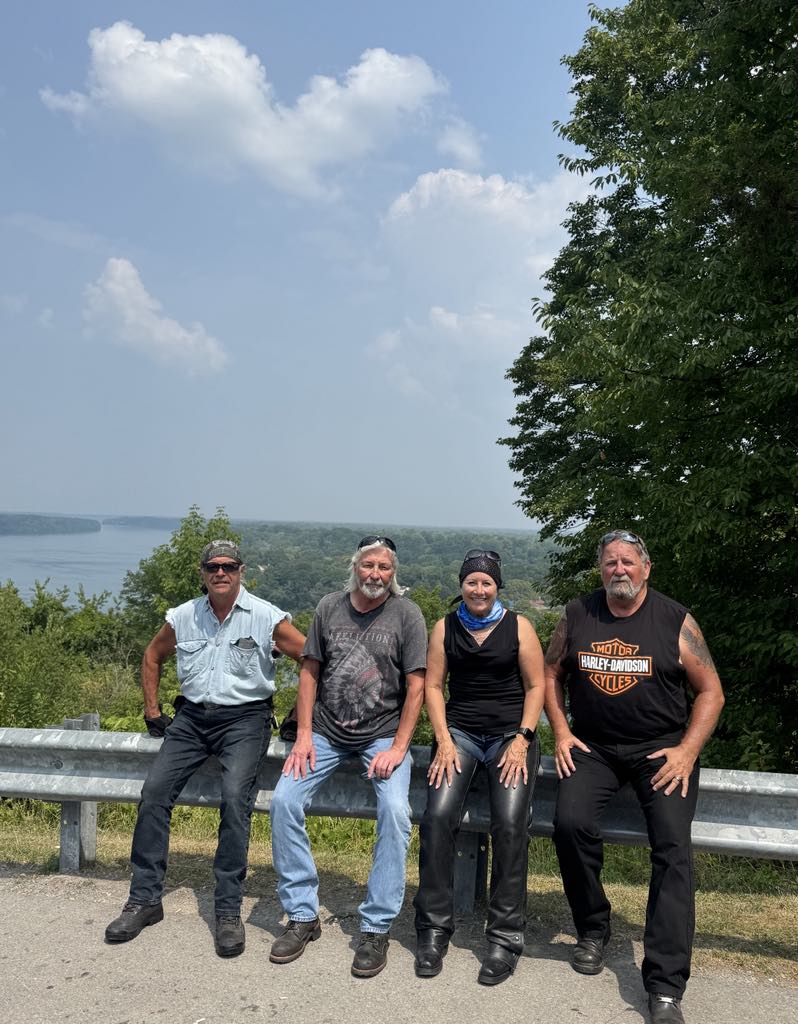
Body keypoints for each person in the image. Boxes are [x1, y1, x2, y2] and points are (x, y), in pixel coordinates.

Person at [544, 529, 725, 1024]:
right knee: (569, 824)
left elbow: (711, 692)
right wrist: (561, 732)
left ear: (646, 568)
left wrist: (687, 751)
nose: (618, 569)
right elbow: (551, 673)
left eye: (627, 561)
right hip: (594, 748)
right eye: (610, 562)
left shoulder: (675, 619)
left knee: (672, 847)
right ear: (600, 569)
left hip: (660, 751)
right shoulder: (578, 614)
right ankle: (593, 928)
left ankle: (664, 985)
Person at [105, 539, 305, 957]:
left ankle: (227, 911)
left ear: (241, 571)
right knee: (154, 793)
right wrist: (152, 709)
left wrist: (297, 716)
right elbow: (153, 655)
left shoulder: (267, 617)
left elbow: (311, 658)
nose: (220, 572)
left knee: (234, 799)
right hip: (192, 718)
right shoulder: (183, 617)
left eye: (228, 566)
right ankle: (144, 900)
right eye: (213, 566)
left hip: (245, 719)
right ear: (202, 573)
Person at [268, 536, 427, 978]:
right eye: (368, 565)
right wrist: (303, 735)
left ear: (393, 573)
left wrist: (399, 747)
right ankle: (302, 915)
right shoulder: (328, 607)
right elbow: (309, 671)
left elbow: (417, 685)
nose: (376, 574)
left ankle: (375, 928)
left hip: (383, 736)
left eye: (384, 567)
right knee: (283, 801)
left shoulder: (407, 614)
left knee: (395, 811)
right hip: (325, 733)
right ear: (355, 567)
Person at [413, 549, 546, 986]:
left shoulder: (519, 627)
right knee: (437, 817)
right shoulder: (445, 627)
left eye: (486, 582)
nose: (479, 589)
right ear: (461, 586)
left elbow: (537, 685)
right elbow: (434, 686)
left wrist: (523, 739)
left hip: (511, 735)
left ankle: (504, 938)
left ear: (497, 586)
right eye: (471, 581)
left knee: (509, 823)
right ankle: (433, 929)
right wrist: (443, 739)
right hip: (461, 735)